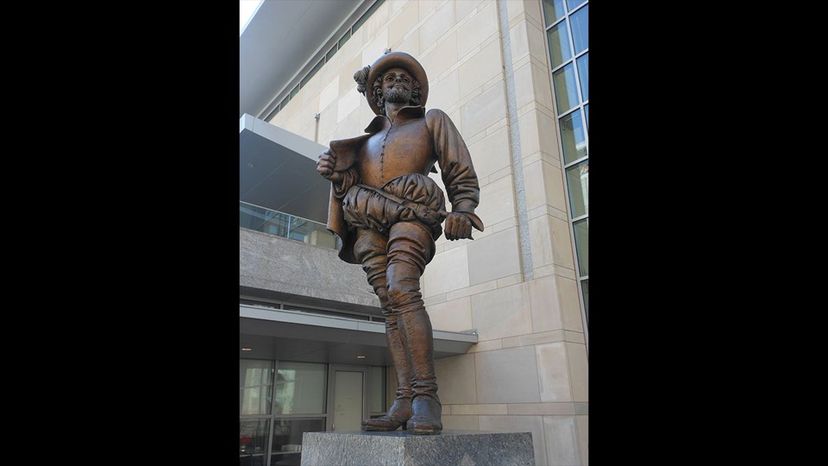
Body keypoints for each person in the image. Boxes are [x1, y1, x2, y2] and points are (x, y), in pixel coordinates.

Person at [316, 51, 483, 435]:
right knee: (389, 306)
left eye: (403, 78)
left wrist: (463, 207)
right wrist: (334, 173)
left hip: (413, 213)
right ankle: (404, 399)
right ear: (376, 90)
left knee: (402, 288)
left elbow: (460, 170)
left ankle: (427, 396)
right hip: (368, 221)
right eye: (388, 78)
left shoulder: (431, 121)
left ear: (414, 90)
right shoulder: (365, 141)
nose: (396, 81)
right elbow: (349, 186)